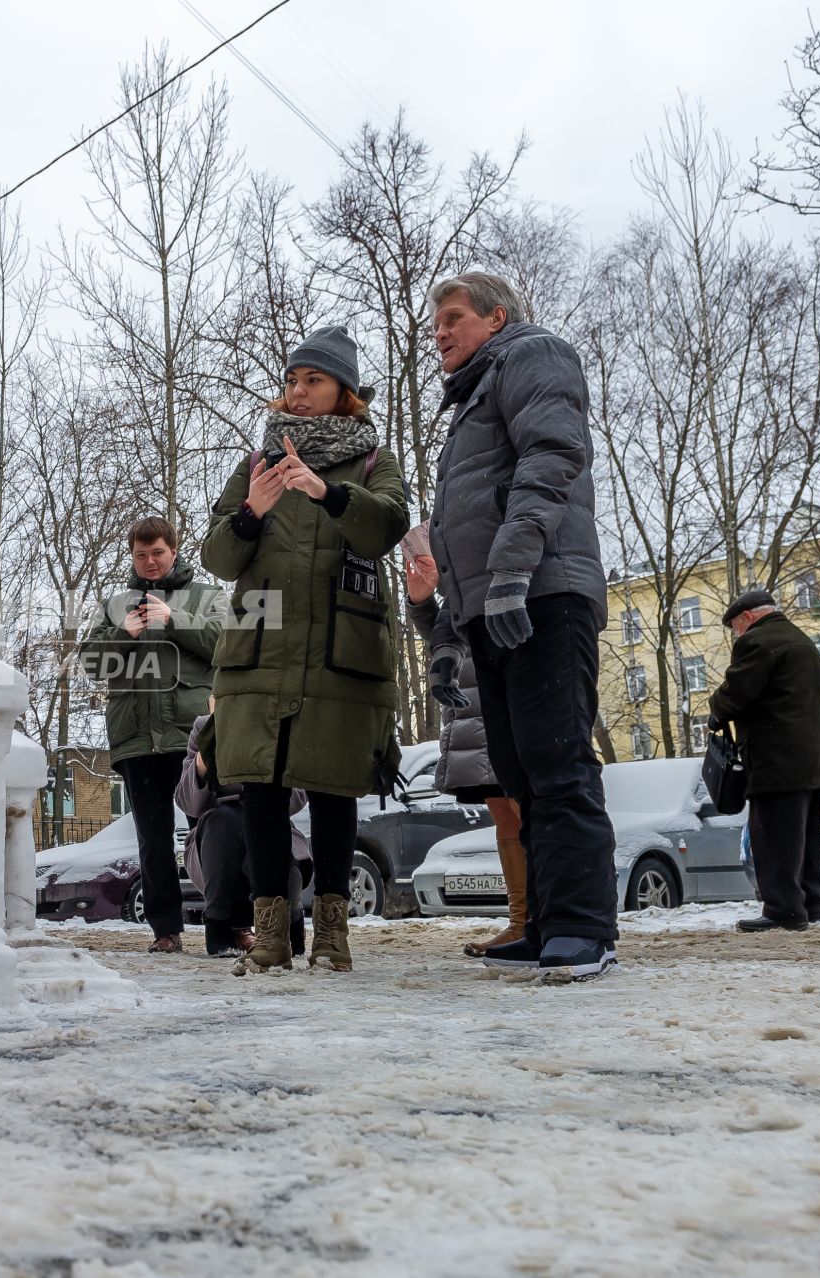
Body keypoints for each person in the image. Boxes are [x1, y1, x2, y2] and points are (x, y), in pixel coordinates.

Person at [423, 271, 618, 981]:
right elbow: (458, 532)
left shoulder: (533, 355)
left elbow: (552, 457)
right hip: (491, 611)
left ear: (496, 315)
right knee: (520, 774)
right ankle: (542, 922)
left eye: (452, 317)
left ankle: (584, 930)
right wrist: (447, 635)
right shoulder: (469, 399)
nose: (439, 332)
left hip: (544, 595)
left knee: (558, 764)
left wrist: (511, 571)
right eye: (434, 323)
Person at [202, 325, 409, 974]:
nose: (296, 391)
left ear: (344, 392)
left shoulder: (374, 459)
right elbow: (216, 554)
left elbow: (388, 525)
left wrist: (328, 492)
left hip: (339, 654)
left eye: (311, 380)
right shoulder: (256, 462)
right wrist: (251, 513)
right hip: (259, 652)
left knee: (333, 792)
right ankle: (270, 936)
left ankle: (332, 936)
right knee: (259, 789)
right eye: (291, 380)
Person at [79, 516, 226, 953]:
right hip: (138, 738)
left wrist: (174, 618)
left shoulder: (206, 596)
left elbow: (226, 643)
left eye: (157, 553)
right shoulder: (114, 605)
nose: (150, 562)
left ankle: (227, 922)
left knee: (215, 830)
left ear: (174, 551)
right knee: (153, 839)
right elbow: (91, 664)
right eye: (141, 555)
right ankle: (166, 931)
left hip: (195, 738)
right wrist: (125, 633)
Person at [403, 546, 527, 956]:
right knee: (503, 815)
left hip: (507, 702)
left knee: (527, 810)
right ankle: (521, 922)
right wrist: (422, 600)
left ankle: (548, 920)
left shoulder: (504, 554)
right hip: (471, 707)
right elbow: (446, 634)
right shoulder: (461, 572)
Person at [708, 588, 820, 932]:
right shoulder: (803, 642)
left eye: (736, 626)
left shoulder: (758, 642)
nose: (737, 634)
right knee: (805, 836)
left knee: (775, 837)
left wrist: (715, 710)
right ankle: (810, 903)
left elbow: (736, 693)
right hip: (813, 758)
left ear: (747, 618)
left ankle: (782, 909)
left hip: (776, 758)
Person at [174, 712, 309, 958]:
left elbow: (298, 796)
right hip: (218, 837)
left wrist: (260, 791)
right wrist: (206, 752)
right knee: (226, 820)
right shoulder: (204, 726)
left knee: (268, 840)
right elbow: (188, 803)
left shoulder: (279, 719)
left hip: (270, 820)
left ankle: (287, 924)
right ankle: (219, 925)